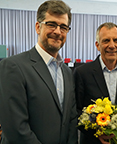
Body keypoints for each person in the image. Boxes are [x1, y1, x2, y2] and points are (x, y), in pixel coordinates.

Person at [0, 0, 78, 144]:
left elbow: (71, 119)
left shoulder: (67, 72)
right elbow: (15, 129)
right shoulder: (12, 67)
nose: (57, 31)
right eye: (51, 24)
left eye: (63, 27)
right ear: (38, 27)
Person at [73, 22, 117, 144]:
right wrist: (96, 133)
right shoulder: (82, 73)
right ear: (97, 45)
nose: (112, 45)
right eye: (106, 40)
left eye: (116, 40)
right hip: (93, 141)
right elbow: (76, 110)